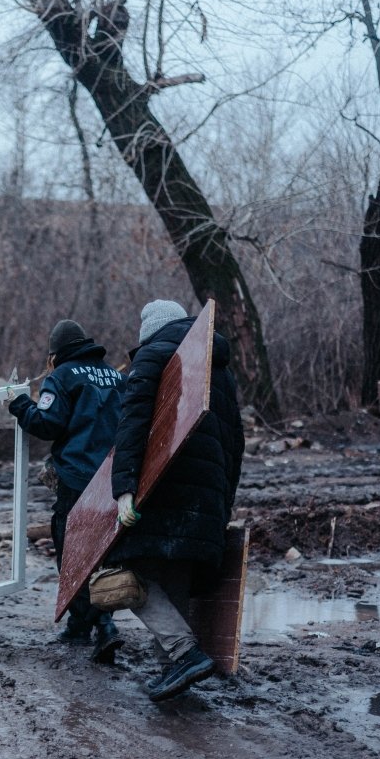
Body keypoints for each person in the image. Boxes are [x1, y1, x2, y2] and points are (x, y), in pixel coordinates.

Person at [110, 299, 245, 701]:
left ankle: (184, 655)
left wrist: (124, 490)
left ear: (148, 331)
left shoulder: (152, 357)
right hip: (210, 494)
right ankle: (177, 667)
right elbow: (236, 442)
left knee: (129, 575)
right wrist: (224, 501)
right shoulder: (218, 370)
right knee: (175, 577)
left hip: (165, 489)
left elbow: (132, 426)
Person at [8, 319, 126, 664]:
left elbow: (47, 423)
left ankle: (101, 626)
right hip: (115, 479)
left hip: (77, 479)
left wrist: (19, 405)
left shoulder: (61, 377)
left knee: (73, 552)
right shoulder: (115, 376)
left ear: (55, 354)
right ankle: (84, 624)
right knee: (104, 552)